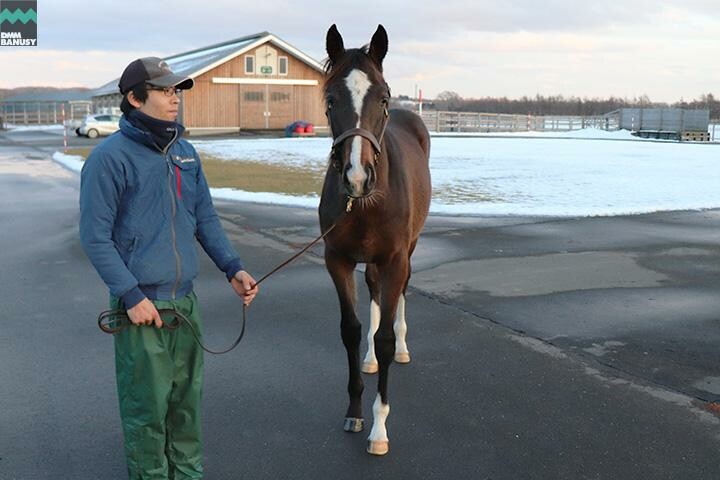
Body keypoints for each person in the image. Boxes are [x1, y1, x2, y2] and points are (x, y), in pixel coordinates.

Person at [79, 57, 259, 479]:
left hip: (186, 307)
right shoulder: (109, 159)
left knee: (185, 407)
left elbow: (205, 219)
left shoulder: (185, 153)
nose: (174, 97)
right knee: (147, 412)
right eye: (163, 90)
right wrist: (131, 294)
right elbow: (95, 237)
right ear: (135, 98)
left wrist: (233, 267)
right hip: (142, 311)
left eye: (176, 89)